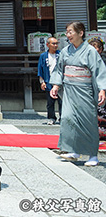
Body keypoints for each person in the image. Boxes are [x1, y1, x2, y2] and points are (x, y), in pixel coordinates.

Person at [50, 21, 106, 167]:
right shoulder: (65, 51)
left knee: (87, 121)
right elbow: (59, 69)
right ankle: (73, 150)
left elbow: (99, 71)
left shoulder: (90, 51)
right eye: (67, 32)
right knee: (68, 118)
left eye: (70, 32)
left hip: (84, 90)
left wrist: (102, 89)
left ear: (80, 33)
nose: (68, 35)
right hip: (69, 89)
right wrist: (56, 85)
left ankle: (93, 154)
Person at [37, 36, 61, 125]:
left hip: (60, 82)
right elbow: (40, 69)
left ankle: (62, 118)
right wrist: (42, 82)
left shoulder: (60, 54)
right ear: (47, 45)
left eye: (56, 43)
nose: (55, 45)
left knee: (61, 101)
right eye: (53, 43)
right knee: (50, 102)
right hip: (49, 80)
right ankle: (51, 117)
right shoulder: (43, 56)